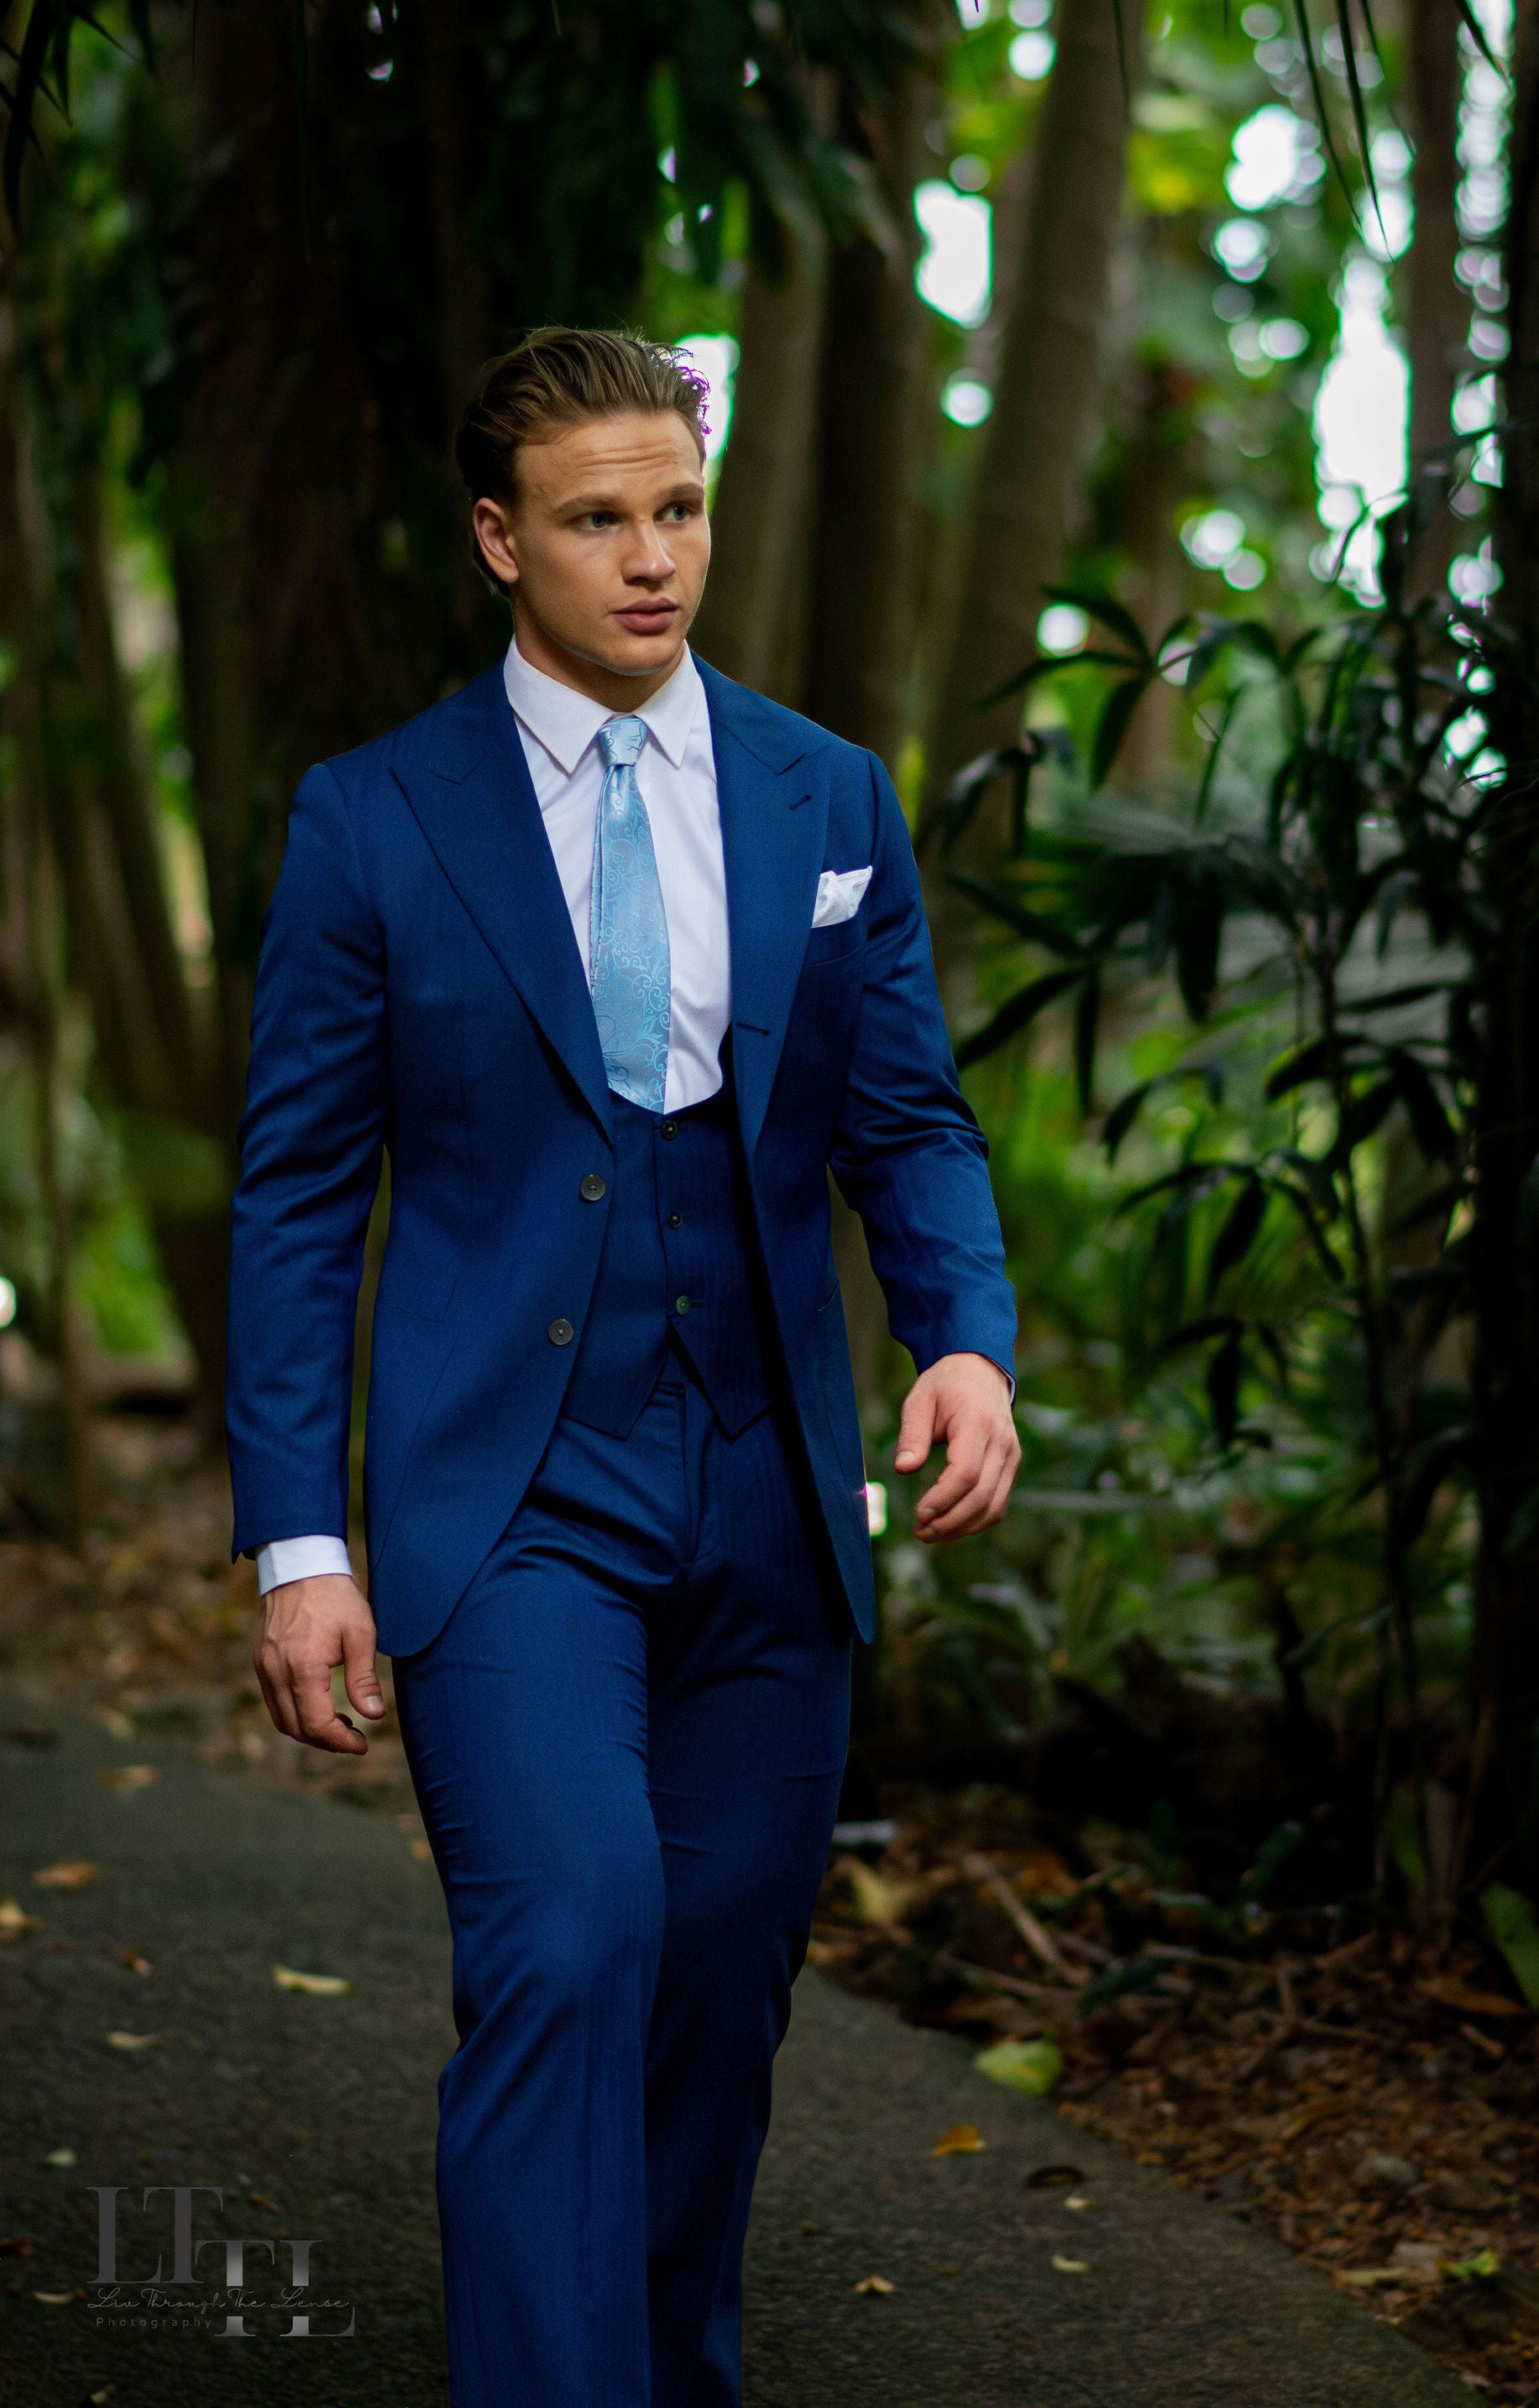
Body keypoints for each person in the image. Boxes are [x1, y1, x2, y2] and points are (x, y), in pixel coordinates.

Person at [226, 326, 1019, 2406]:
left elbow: (909, 1121)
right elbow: (301, 1200)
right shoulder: (371, 820)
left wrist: (965, 1342)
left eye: (677, 509)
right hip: (511, 1495)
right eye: (597, 520)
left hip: (769, 1484)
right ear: (500, 539)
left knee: (718, 1989)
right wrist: (299, 1540)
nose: (652, 559)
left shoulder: (825, 793)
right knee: (573, 1941)